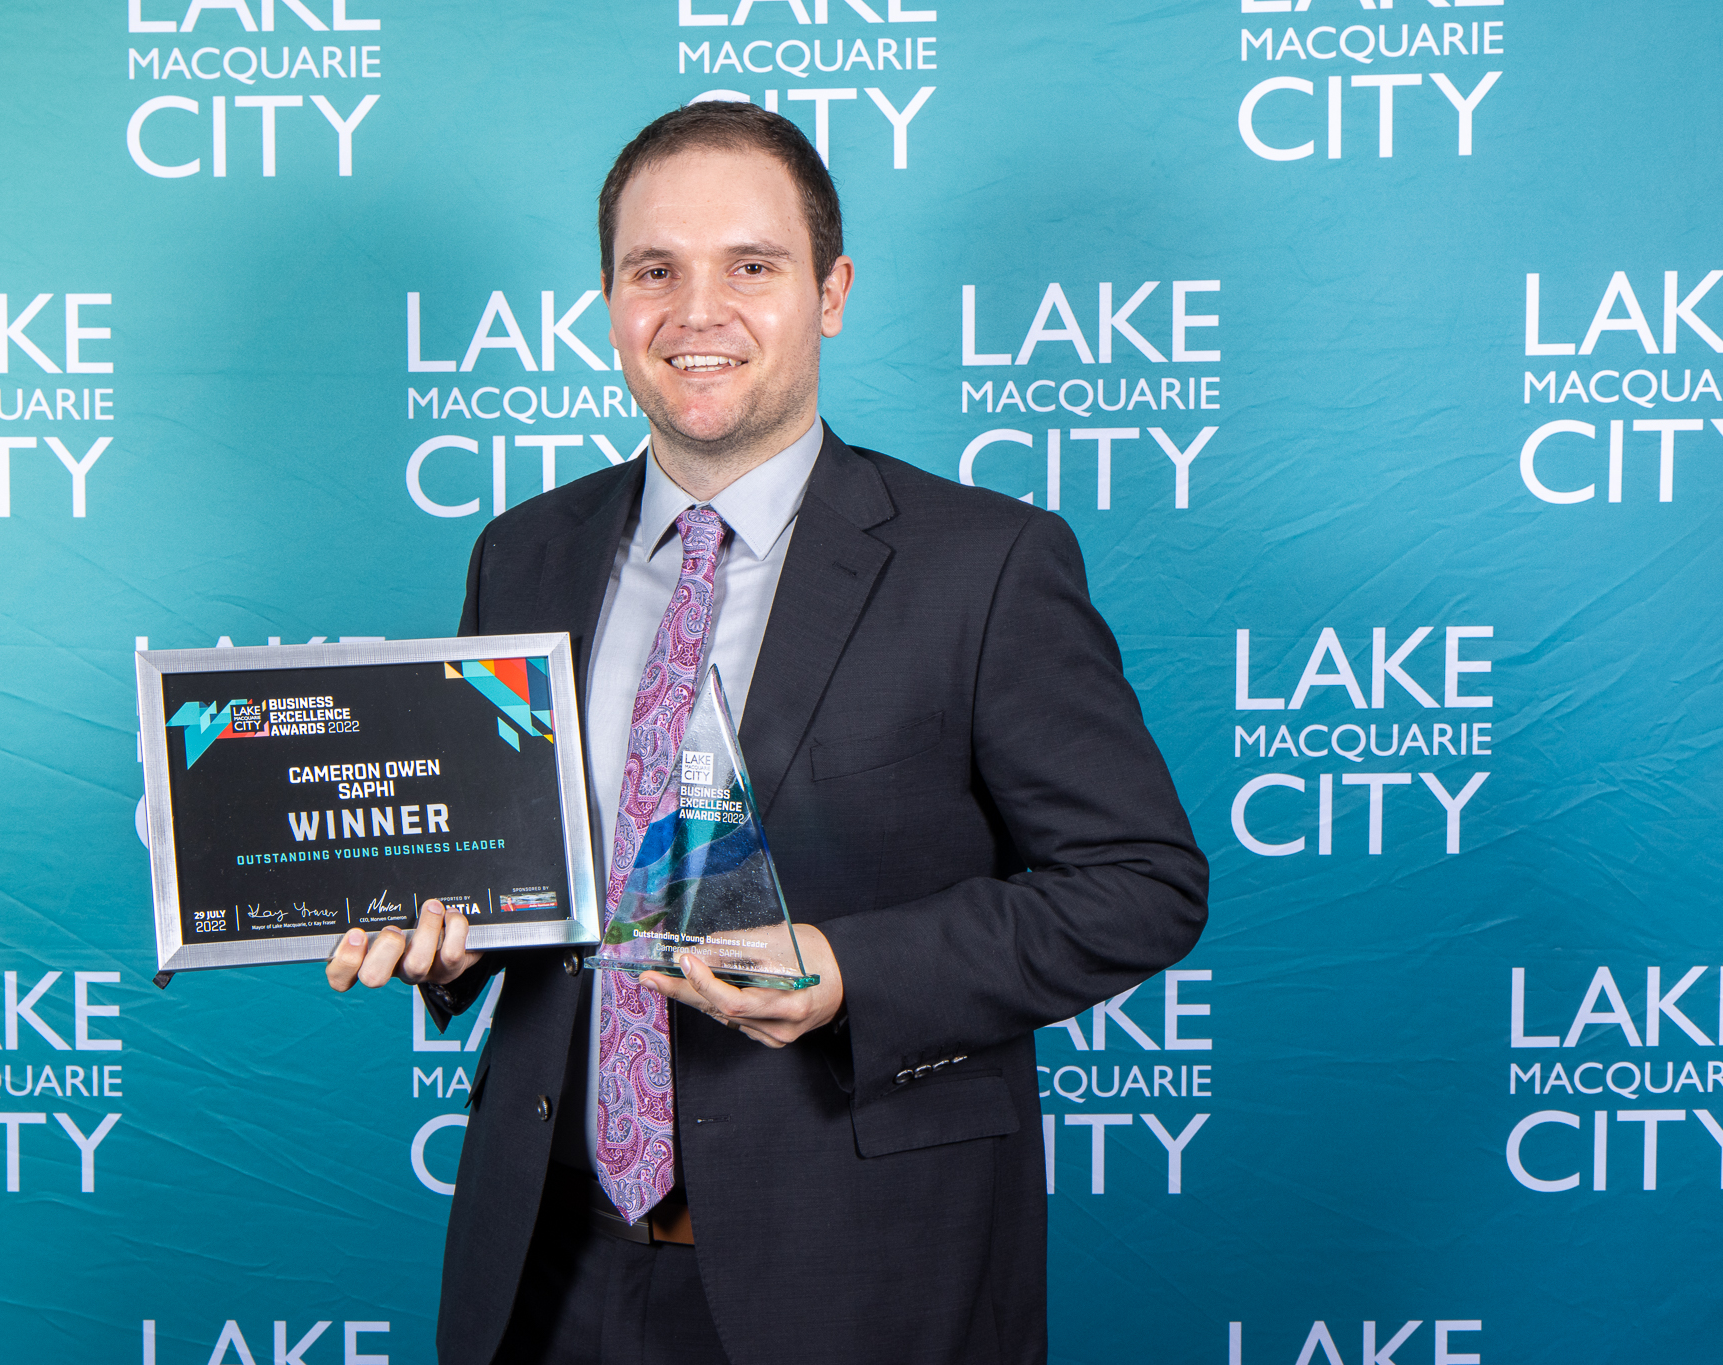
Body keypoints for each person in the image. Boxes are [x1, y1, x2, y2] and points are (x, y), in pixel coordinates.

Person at [327, 102, 1208, 1365]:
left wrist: (851, 971)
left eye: (751, 266)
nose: (697, 313)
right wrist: (444, 941)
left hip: (859, 1270)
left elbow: (1140, 888)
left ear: (830, 293)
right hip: (545, 1265)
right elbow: (517, 869)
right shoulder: (521, 556)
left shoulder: (986, 565)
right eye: (654, 271)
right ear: (607, 301)